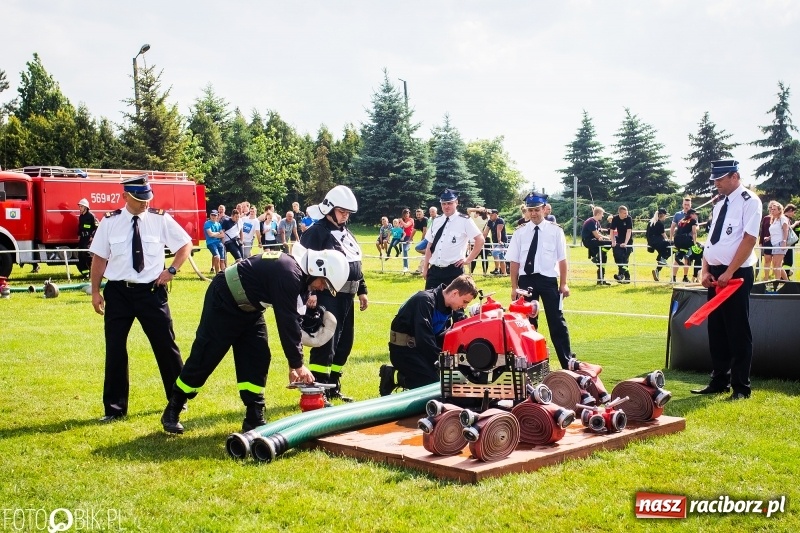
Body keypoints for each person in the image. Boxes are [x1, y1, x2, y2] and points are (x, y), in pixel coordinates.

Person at [160, 248, 349, 434]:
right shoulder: (289, 274)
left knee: (257, 356)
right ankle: (174, 408)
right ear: (317, 269)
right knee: (206, 355)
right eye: (324, 283)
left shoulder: (300, 280)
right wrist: (298, 365)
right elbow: (287, 323)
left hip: (251, 309)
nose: (322, 288)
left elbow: (296, 324)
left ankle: (254, 416)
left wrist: (293, 365)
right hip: (224, 299)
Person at [89, 175, 192, 422]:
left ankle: (178, 399)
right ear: (124, 196)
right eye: (138, 199)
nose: (145, 203)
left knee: (166, 346)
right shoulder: (110, 222)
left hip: (152, 292)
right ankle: (114, 409)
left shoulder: (159, 218)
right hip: (119, 292)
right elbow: (99, 258)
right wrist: (95, 291)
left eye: (147, 198)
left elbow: (185, 244)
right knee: (115, 349)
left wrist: (172, 271)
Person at [693, 159, 762, 401]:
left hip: (736, 275)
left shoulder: (750, 201)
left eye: (720, 179)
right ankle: (719, 379)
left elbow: (749, 239)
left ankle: (741, 387)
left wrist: (730, 271)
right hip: (716, 274)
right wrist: (705, 270)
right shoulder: (719, 205)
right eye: (714, 180)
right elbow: (710, 242)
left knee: (737, 329)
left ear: (735, 176)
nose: (716, 184)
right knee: (717, 329)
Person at [300, 185, 368, 402]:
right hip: (327, 296)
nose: (345, 216)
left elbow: (354, 262)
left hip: (348, 296)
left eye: (348, 213)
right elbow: (304, 266)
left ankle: (333, 385)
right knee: (325, 343)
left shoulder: (346, 232)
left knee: (344, 342)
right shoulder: (315, 233)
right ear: (329, 209)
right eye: (342, 212)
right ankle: (318, 390)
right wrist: (310, 292)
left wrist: (362, 290)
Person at [507, 192, 575, 369]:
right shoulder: (520, 232)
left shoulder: (555, 231)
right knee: (526, 323)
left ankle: (567, 362)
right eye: (531, 210)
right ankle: (528, 364)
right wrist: (514, 287)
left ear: (544, 209)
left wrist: (563, 283)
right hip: (526, 281)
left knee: (556, 321)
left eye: (537, 209)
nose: (534, 213)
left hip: (548, 280)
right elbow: (514, 261)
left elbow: (562, 259)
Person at [380, 275, 478, 393]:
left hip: (425, 350)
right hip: (405, 351)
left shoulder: (452, 307)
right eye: (465, 301)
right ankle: (394, 376)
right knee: (435, 385)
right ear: (455, 293)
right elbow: (424, 339)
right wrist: (446, 362)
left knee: (453, 381)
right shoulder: (424, 300)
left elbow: (454, 332)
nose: (465, 306)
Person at [422, 189, 485, 290]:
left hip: (453, 271)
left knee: (454, 304)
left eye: (450, 203)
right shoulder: (437, 220)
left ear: (456, 203)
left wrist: (468, 259)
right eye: (444, 203)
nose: (446, 206)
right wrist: (425, 268)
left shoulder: (464, 220)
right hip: (434, 271)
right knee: (430, 303)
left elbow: (480, 240)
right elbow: (430, 245)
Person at [581, 206, 612, 285]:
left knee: (603, 259)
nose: (603, 216)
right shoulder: (590, 221)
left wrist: (610, 231)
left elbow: (600, 232)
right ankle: (597, 257)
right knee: (611, 243)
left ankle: (600, 280)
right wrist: (608, 238)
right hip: (589, 242)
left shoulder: (597, 222)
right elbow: (597, 235)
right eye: (602, 214)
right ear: (598, 214)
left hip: (595, 241)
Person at [762, 200, 790, 283]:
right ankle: (787, 283)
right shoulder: (774, 219)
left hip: (780, 243)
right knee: (777, 265)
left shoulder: (783, 218)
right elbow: (776, 232)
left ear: (779, 210)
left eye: (774, 209)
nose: (772, 211)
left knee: (776, 265)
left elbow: (785, 231)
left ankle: (777, 283)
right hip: (774, 244)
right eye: (771, 209)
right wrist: (769, 238)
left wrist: (784, 242)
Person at [672, 209, 698, 283]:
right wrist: (695, 243)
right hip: (685, 240)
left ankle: (673, 277)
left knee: (681, 252)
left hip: (677, 239)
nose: (696, 216)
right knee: (688, 256)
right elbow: (694, 232)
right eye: (695, 214)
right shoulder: (692, 220)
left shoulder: (681, 220)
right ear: (691, 214)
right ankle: (685, 277)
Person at [670, 197, 692, 281]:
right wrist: (671, 239)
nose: (686, 206)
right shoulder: (678, 214)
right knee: (677, 258)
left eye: (688, 205)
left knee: (687, 258)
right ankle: (674, 277)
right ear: (682, 204)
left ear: (691, 205)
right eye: (685, 204)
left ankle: (685, 277)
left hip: (688, 240)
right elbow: (672, 227)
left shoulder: (693, 214)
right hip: (679, 240)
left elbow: (696, 228)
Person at [610, 205, 633, 283]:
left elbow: (629, 231)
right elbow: (612, 230)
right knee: (618, 258)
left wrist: (626, 243)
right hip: (619, 241)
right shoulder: (615, 219)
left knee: (624, 258)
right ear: (619, 213)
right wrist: (613, 241)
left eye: (626, 213)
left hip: (628, 241)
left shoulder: (629, 219)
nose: (626, 214)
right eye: (624, 213)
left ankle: (621, 275)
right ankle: (627, 277)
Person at [646, 207, 671, 281]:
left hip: (651, 243)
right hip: (658, 242)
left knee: (662, 254)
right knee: (670, 248)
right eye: (665, 215)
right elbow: (664, 235)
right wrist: (669, 241)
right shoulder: (659, 224)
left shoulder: (650, 222)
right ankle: (662, 259)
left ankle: (657, 270)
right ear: (662, 215)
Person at [76, 198, 98, 277]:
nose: (80, 208)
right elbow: (80, 226)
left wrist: (92, 236)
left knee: (87, 255)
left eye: (81, 206)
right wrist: (79, 234)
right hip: (82, 238)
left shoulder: (91, 216)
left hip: (88, 239)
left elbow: (96, 227)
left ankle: (92, 272)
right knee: (80, 256)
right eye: (79, 206)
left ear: (85, 207)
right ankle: (85, 274)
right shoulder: (81, 216)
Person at [466, 206, 490, 275]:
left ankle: (471, 272)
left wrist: (477, 209)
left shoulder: (473, 217)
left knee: (473, 256)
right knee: (484, 257)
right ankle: (484, 272)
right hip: (485, 238)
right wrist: (484, 209)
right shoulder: (487, 218)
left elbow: (468, 209)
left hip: (475, 238)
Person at [485, 209, 508, 276]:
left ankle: (497, 269)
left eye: (491, 215)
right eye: (489, 215)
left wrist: (499, 241)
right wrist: (482, 240)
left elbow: (499, 231)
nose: (490, 216)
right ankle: (503, 273)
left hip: (502, 242)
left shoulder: (500, 220)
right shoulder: (490, 221)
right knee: (501, 256)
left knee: (495, 252)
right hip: (495, 241)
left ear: (496, 214)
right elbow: (486, 232)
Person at [782, 203, 799, 276]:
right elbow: (788, 228)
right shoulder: (785, 218)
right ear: (790, 210)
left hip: (789, 244)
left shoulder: (788, 219)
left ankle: (785, 274)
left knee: (788, 261)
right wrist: (795, 224)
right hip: (787, 244)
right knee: (788, 261)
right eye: (794, 212)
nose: (794, 214)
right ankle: (785, 275)